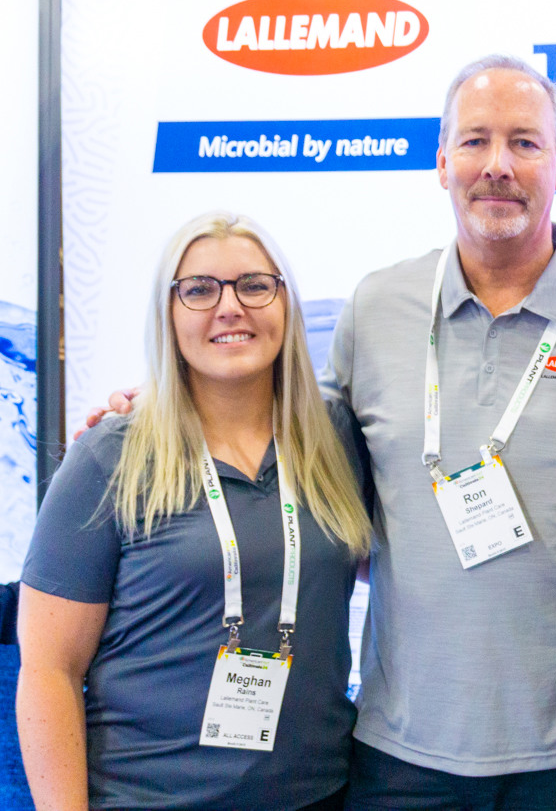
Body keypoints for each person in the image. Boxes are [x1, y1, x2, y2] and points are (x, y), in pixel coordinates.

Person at [91, 55, 556, 811]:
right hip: (396, 753)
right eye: (474, 140)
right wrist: (172, 398)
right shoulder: (377, 306)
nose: (498, 164)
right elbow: (288, 430)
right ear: (441, 162)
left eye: (524, 142)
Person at [19, 211, 372, 811]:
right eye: (200, 290)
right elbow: (50, 670)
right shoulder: (112, 456)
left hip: (318, 793)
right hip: (148, 797)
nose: (230, 307)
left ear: (285, 303)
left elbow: (383, 560)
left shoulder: (333, 436)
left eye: (254, 285)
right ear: (169, 314)